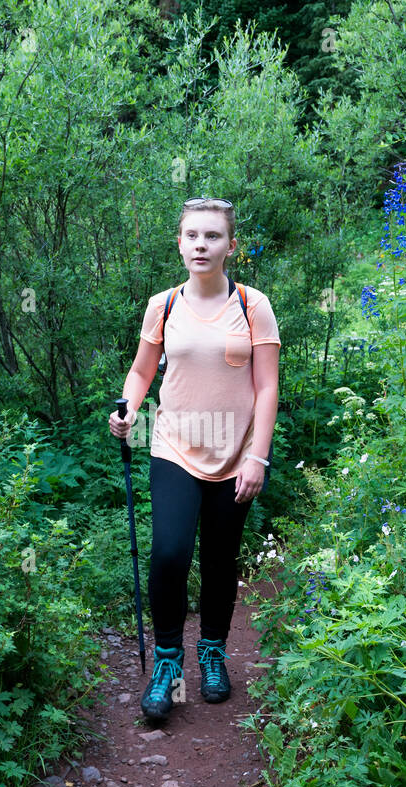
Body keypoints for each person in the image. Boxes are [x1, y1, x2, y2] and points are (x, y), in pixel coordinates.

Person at [108, 197, 281, 721]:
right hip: (175, 446)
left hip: (236, 454)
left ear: (231, 245)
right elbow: (141, 373)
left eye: (212, 236)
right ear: (180, 242)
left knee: (221, 559)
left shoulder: (253, 305)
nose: (201, 245)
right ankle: (167, 661)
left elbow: (268, 385)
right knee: (170, 552)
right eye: (192, 236)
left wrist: (259, 457)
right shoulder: (163, 305)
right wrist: (127, 409)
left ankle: (212, 653)